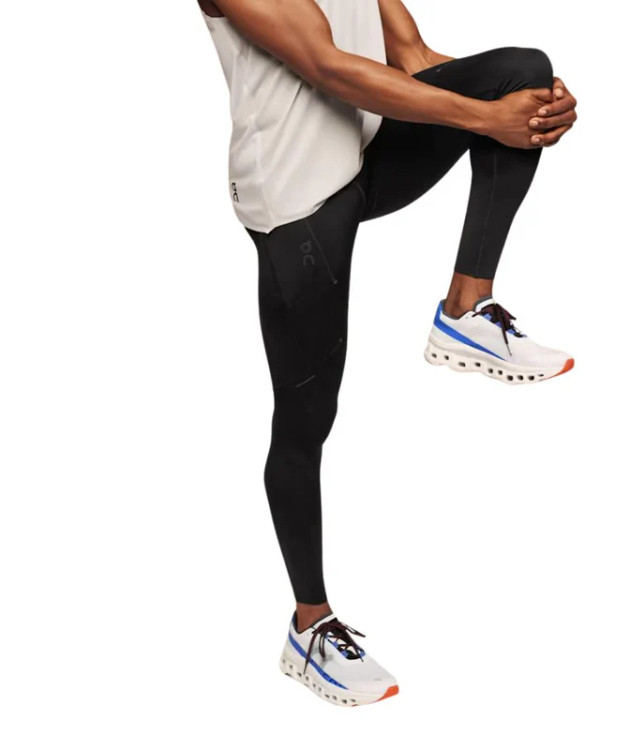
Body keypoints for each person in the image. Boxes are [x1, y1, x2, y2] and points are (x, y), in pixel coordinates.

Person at [198, 0, 578, 706]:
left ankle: (464, 309)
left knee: (521, 74)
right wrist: (485, 120)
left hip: (364, 154)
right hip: (296, 198)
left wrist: (530, 112)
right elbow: (330, 67)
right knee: (306, 419)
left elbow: (415, 59)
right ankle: (310, 627)